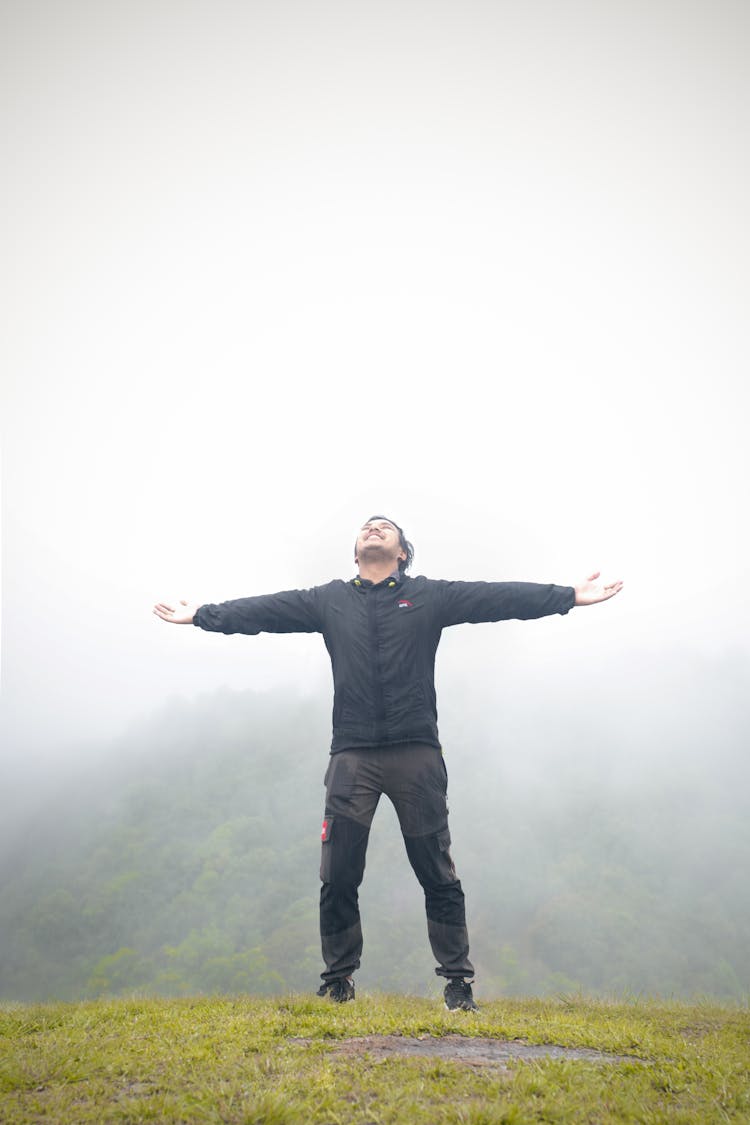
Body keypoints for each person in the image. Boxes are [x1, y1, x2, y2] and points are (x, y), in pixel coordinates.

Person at [154, 515, 622, 1010]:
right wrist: (203, 614)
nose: (373, 529)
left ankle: (458, 983)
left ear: (403, 552)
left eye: (385, 527)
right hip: (352, 754)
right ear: (356, 551)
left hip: (415, 753)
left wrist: (567, 596)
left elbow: (499, 598)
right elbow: (263, 611)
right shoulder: (328, 599)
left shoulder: (429, 596)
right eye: (366, 527)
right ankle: (337, 981)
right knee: (338, 872)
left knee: (435, 871)